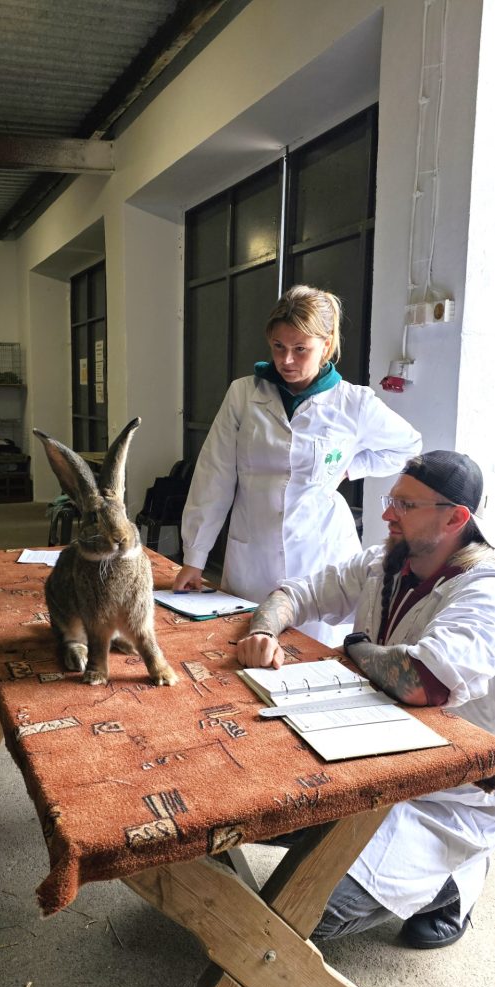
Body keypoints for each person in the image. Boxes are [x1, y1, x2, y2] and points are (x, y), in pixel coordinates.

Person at [237, 450, 495, 948]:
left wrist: (355, 650)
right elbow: (297, 591)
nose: (386, 514)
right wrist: (265, 631)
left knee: (302, 915)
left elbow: (423, 680)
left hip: (443, 795)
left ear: (455, 518)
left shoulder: (483, 590)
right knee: (244, 808)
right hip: (368, 749)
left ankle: (456, 882)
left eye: (405, 504)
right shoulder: (387, 561)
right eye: (390, 499)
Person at [174, 284, 422, 644]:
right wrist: (195, 556)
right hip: (251, 555)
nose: (286, 361)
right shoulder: (244, 394)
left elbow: (409, 447)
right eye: (279, 347)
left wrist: (352, 468)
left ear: (326, 345)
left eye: (300, 349)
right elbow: (215, 475)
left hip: (321, 553)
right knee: (244, 651)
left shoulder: (353, 403)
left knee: (316, 654)